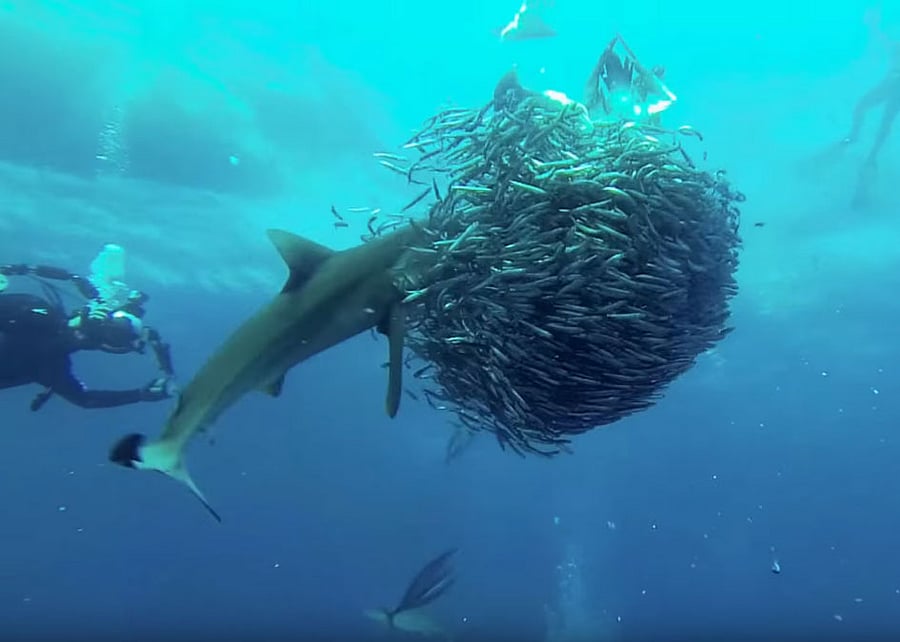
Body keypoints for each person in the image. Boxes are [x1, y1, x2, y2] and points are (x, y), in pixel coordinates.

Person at [0, 250, 175, 412]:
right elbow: (85, 399)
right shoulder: (36, 322)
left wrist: (139, 395)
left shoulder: (51, 361)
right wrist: (140, 395)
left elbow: (85, 399)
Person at [584, 33, 676, 125]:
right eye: (614, 80)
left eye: (619, 78)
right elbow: (669, 99)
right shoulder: (599, 111)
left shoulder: (641, 111)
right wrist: (597, 68)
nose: (616, 84)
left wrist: (643, 71)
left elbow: (669, 99)